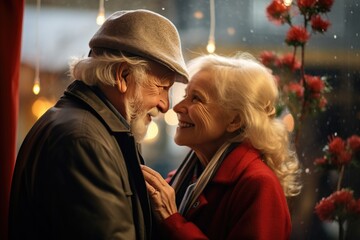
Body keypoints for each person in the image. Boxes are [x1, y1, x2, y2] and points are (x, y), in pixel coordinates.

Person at [9, 9, 188, 240]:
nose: (166, 105)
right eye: (162, 87)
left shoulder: (91, 129)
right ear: (123, 76)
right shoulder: (85, 141)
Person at [142, 53, 302, 239]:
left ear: (235, 120)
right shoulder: (186, 176)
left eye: (196, 99)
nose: (177, 108)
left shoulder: (258, 185)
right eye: (186, 95)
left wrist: (173, 221)